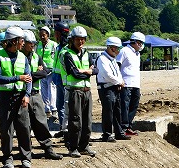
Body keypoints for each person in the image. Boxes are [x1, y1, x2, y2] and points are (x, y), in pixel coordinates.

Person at [18, 29, 64, 160]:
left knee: (41, 122)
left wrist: (30, 76)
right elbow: (18, 76)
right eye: (29, 43)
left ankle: (48, 149)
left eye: (33, 43)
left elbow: (44, 72)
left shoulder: (36, 56)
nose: (32, 45)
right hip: (22, 95)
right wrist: (33, 74)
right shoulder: (18, 57)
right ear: (23, 43)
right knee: (24, 126)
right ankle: (26, 154)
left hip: (35, 94)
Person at [0, 26, 34, 168]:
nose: (23, 43)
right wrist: (17, 78)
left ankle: (26, 157)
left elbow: (29, 78)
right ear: (14, 41)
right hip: (5, 97)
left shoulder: (23, 57)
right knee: (6, 129)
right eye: (21, 40)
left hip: (21, 96)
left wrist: (27, 95)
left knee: (24, 128)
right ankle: (7, 158)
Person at [59, 25, 96, 158]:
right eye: (78, 39)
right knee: (75, 121)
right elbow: (74, 74)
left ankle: (84, 146)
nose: (80, 42)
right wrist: (88, 72)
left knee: (87, 121)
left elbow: (96, 70)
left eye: (83, 39)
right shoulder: (67, 54)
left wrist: (85, 71)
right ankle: (73, 147)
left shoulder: (86, 53)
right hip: (75, 91)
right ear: (72, 39)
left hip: (87, 91)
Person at [95, 36, 128, 142]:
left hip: (114, 87)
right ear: (111, 48)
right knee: (108, 111)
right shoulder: (102, 59)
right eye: (117, 48)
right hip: (106, 88)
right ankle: (107, 133)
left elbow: (117, 73)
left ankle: (119, 132)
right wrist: (119, 82)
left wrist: (120, 82)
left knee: (117, 111)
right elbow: (107, 74)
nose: (118, 51)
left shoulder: (112, 59)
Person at [116, 31, 144, 137]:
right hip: (126, 84)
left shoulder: (137, 54)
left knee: (134, 105)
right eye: (140, 43)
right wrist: (119, 80)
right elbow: (117, 65)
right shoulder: (124, 51)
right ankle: (123, 127)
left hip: (136, 84)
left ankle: (129, 126)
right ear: (135, 42)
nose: (141, 45)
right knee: (125, 106)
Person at [50, 22, 71, 130]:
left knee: (63, 106)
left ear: (58, 33)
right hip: (58, 78)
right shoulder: (59, 47)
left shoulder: (66, 48)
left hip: (63, 79)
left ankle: (66, 129)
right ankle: (63, 128)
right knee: (60, 106)